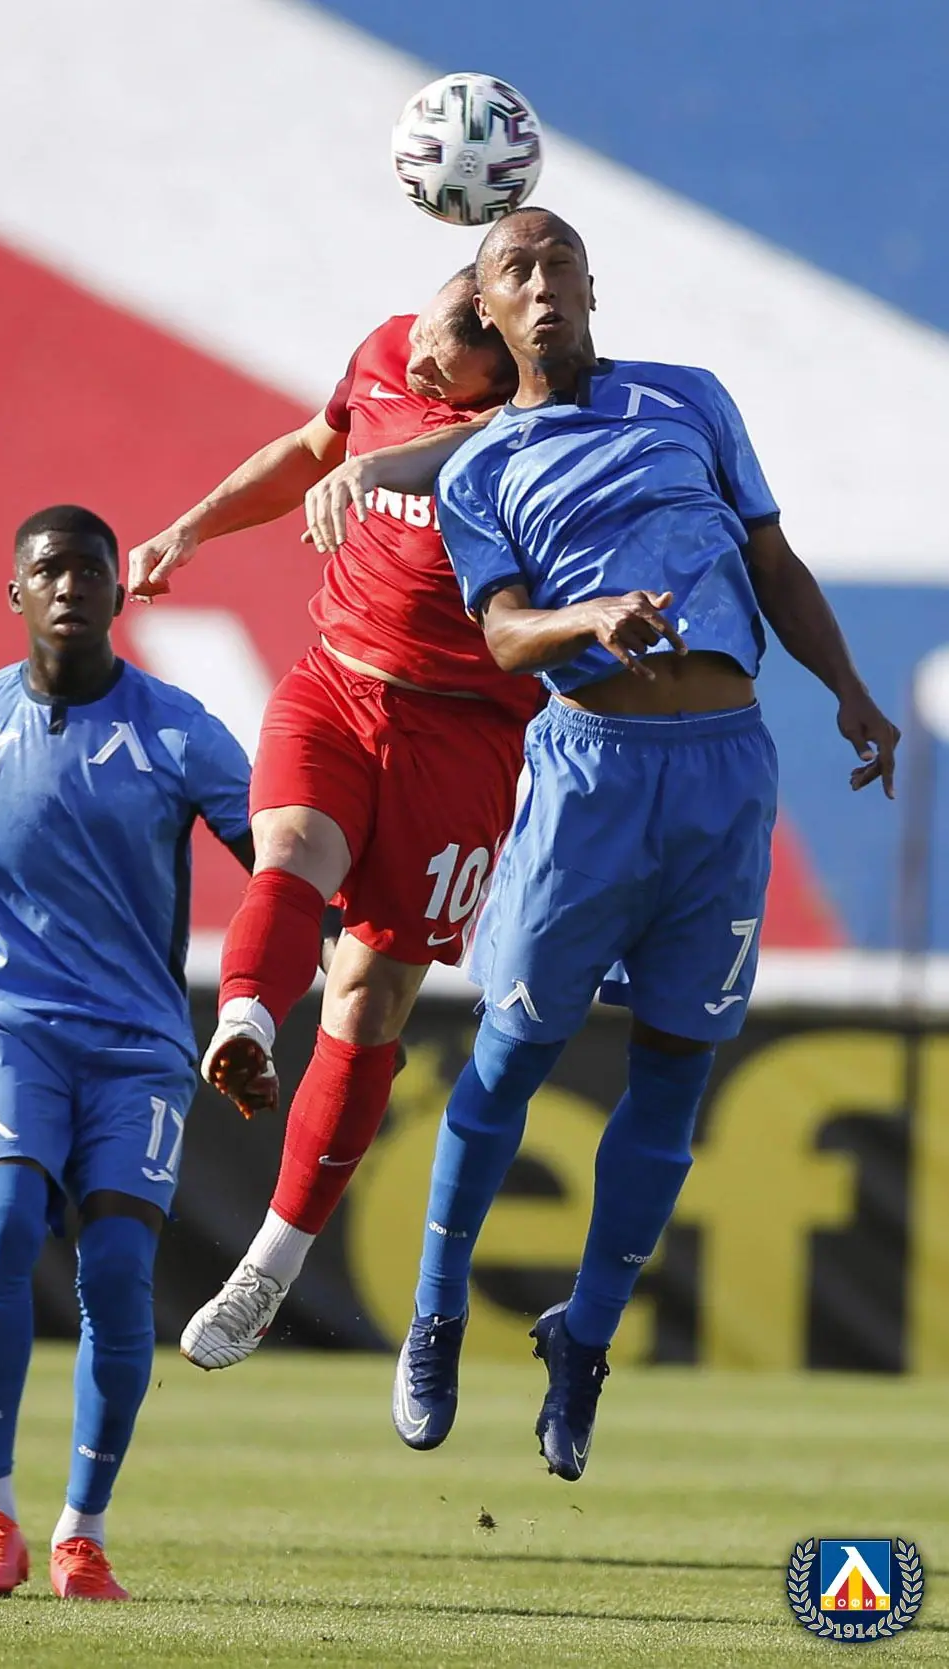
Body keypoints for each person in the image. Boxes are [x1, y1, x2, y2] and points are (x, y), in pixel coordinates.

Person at [390, 207, 899, 1479]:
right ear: (489, 311)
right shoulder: (481, 469)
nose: (542, 283)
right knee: (513, 1054)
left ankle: (585, 1337)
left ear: (590, 285)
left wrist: (848, 688)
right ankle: (437, 1311)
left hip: (725, 773)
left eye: (558, 262)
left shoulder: (690, 398)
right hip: (591, 777)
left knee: (676, 1074)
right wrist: (591, 617)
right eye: (515, 269)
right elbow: (504, 636)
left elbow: (771, 561)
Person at [128, 270, 544, 1370]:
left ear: (503, 359)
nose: (422, 355)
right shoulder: (389, 348)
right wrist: (191, 528)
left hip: (464, 735)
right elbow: (313, 448)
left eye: (451, 348)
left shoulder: (536, 423)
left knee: (368, 992)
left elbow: (474, 445)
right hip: (338, 681)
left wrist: (383, 465)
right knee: (289, 848)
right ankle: (245, 1021)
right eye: (430, 324)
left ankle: (268, 1265)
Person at [0, 505, 253, 1601]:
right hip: (7, 1027)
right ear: (15, 592)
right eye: (49, 570)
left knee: (117, 1271)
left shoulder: (181, 731)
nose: (70, 585)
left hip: (136, 1048)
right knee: (5, 1227)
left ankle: (82, 1529)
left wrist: (290, 991)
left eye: (89, 570)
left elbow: (277, 866)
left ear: (120, 591)